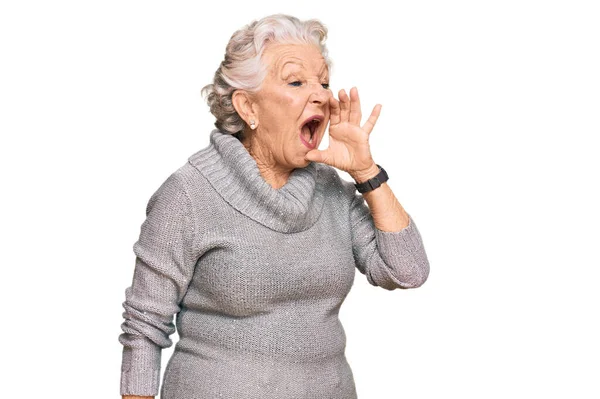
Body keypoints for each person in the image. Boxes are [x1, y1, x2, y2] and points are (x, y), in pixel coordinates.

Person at [119, 13, 430, 399]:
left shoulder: (330, 189)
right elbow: (144, 326)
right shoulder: (188, 195)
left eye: (323, 82)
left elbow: (407, 271)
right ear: (248, 107)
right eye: (296, 81)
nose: (321, 95)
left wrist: (366, 172)